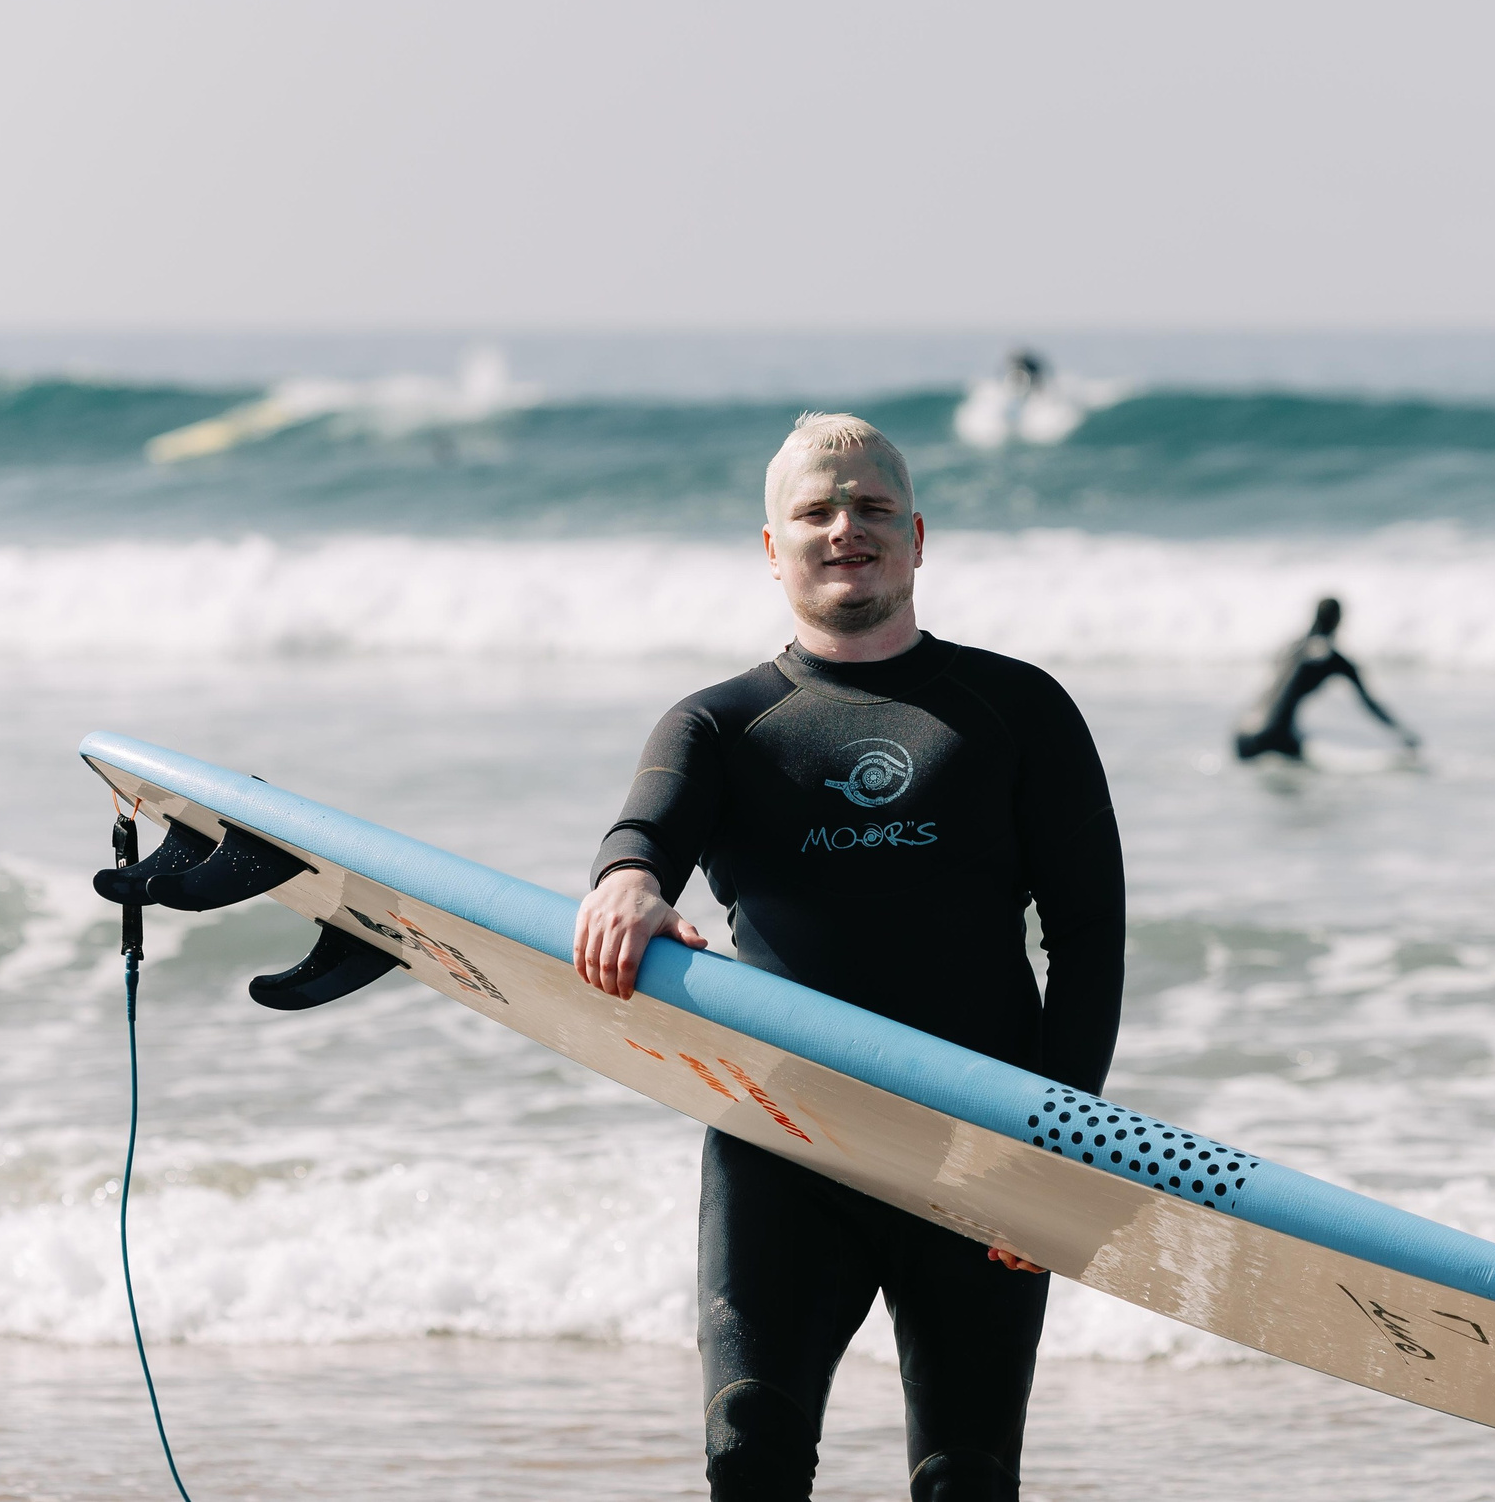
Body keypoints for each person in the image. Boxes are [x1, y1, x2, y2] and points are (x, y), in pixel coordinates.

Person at [573, 411, 1125, 1502]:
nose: (845, 529)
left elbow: (1089, 940)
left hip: (985, 1149)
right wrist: (626, 881)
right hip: (781, 1144)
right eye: (815, 512)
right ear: (770, 549)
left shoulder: (1018, 711)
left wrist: (1054, 1146)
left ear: (916, 537)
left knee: (966, 1479)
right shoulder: (718, 727)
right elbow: (644, 838)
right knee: (749, 1458)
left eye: (872, 508)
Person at [1234, 597, 1418, 762]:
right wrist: (1402, 732)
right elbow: (1369, 703)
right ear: (1338, 620)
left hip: (1243, 732)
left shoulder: (1289, 648)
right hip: (1274, 738)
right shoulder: (1332, 658)